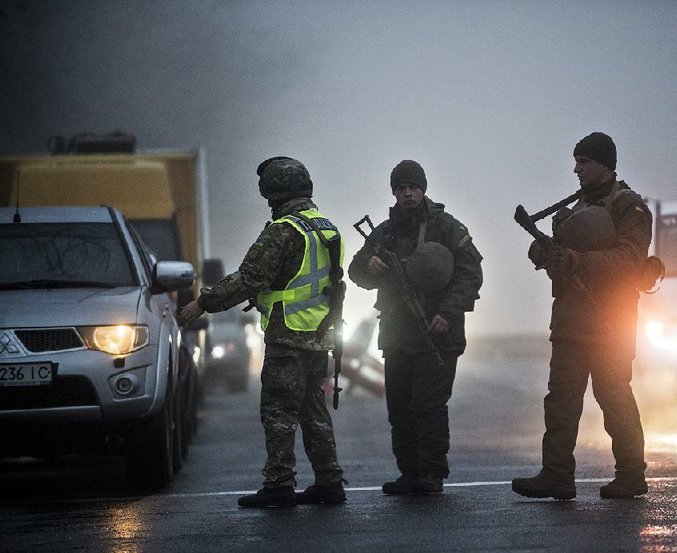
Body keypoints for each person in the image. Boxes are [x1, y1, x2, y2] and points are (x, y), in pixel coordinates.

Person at [178, 156, 347, 508]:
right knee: (313, 410)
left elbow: (248, 278)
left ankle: (279, 486)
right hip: (318, 335)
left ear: (273, 191)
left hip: (288, 336)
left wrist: (203, 304)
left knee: (278, 412)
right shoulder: (326, 227)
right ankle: (329, 481)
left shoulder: (283, 230)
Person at [512, 132, 651, 500]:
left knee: (614, 397)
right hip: (571, 321)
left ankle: (631, 475)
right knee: (560, 400)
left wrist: (579, 260)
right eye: (576, 161)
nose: (576, 169)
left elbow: (629, 260)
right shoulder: (576, 210)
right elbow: (563, 256)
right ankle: (556, 475)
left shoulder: (629, 208)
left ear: (605, 164)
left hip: (610, 322)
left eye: (584, 161)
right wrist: (546, 252)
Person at [348, 159, 483, 495]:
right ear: (394, 192)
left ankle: (431, 474)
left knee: (429, 405)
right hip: (397, 334)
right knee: (400, 406)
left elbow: (471, 273)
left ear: (423, 189)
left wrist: (448, 312)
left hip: (438, 333)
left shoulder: (447, 228)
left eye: (413, 187)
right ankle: (409, 473)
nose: (407, 194)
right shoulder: (385, 232)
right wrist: (371, 265)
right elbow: (355, 270)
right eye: (401, 188)